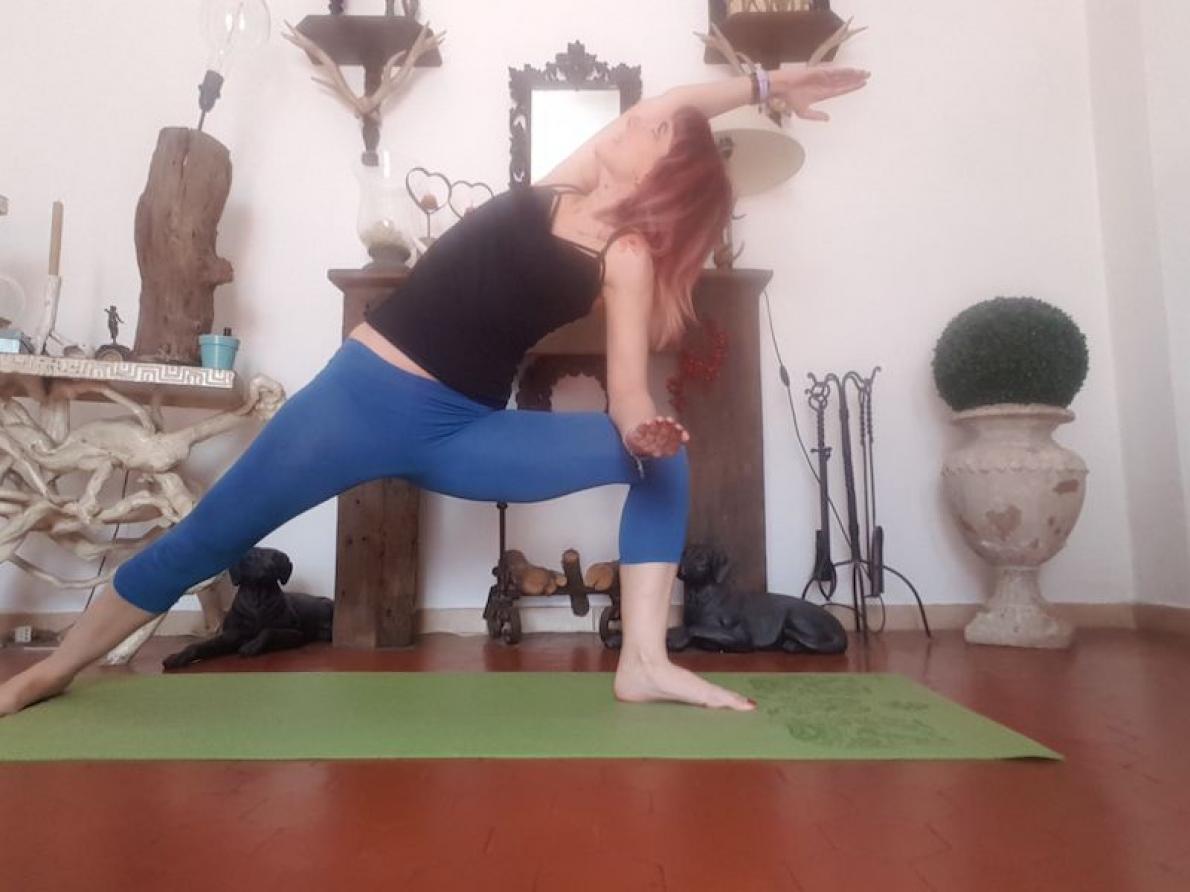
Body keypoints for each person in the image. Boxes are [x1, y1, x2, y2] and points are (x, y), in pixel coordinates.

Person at [0, 63, 869, 718]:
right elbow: (677, 101)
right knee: (204, 539)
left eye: (653, 129)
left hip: (460, 432)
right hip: (354, 402)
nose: (639, 119)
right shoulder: (562, 183)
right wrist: (767, 83)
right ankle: (52, 670)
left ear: (660, 172)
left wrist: (644, 433)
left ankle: (643, 662)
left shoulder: (627, 257)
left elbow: (629, 396)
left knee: (668, 459)